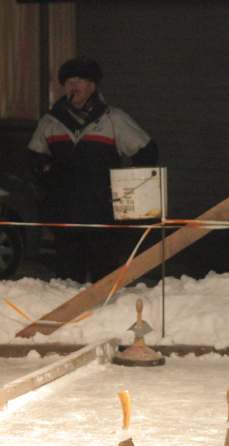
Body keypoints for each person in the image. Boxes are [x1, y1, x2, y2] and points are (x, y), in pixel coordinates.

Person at [28, 56, 158, 283]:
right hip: (65, 215)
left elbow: (147, 152)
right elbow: (34, 159)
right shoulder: (50, 122)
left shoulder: (113, 119)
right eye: (68, 82)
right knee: (67, 280)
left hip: (103, 215)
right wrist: (48, 179)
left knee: (104, 278)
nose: (73, 86)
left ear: (92, 85)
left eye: (79, 81)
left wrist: (125, 191)